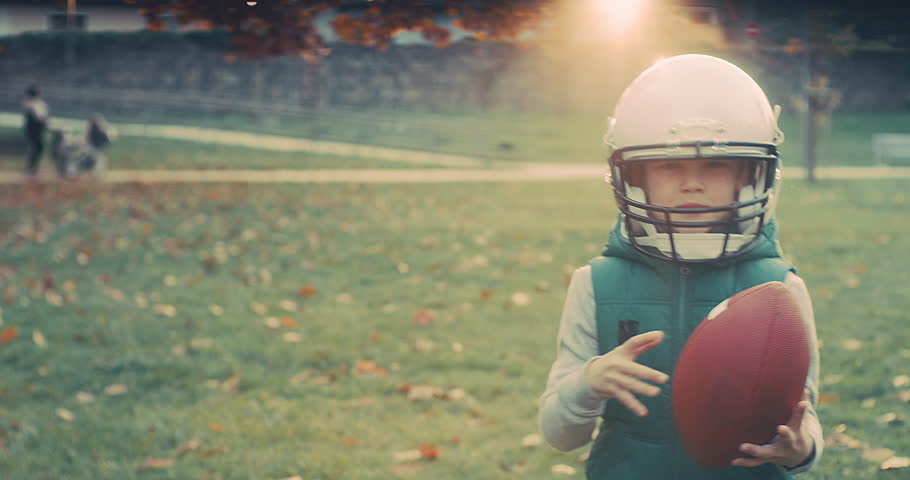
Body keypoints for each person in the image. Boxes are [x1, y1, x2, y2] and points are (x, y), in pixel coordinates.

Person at [538, 54, 823, 479]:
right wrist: (589, 381)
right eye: (670, 164)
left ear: (752, 176)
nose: (693, 182)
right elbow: (560, 434)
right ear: (633, 176)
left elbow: (804, 414)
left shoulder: (779, 287)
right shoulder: (596, 284)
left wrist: (800, 449)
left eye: (715, 164)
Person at [22, 84, 49, 178]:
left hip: (36, 129)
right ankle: (31, 168)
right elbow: (39, 117)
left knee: (38, 148)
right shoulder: (31, 103)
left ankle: (32, 167)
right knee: (36, 148)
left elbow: (41, 116)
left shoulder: (33, 103)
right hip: (34, 129)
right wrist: (45, 122)